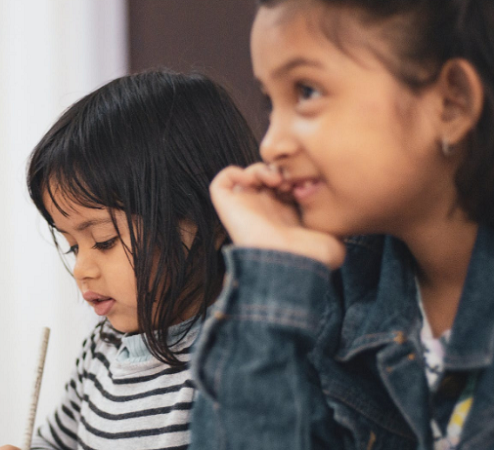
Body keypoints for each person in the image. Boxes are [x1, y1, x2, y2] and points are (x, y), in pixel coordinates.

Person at [189, 1, 494, 449]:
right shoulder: (336, 292)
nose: (270, 144)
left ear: (452, 103)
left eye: (307, 92)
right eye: (270, 102)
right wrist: (271, 274)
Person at [0, 70, 258, 450]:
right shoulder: (101, 350)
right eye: (72, 246)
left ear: (213, 218)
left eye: (103, 241)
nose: (81, 269)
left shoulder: (239, 360)